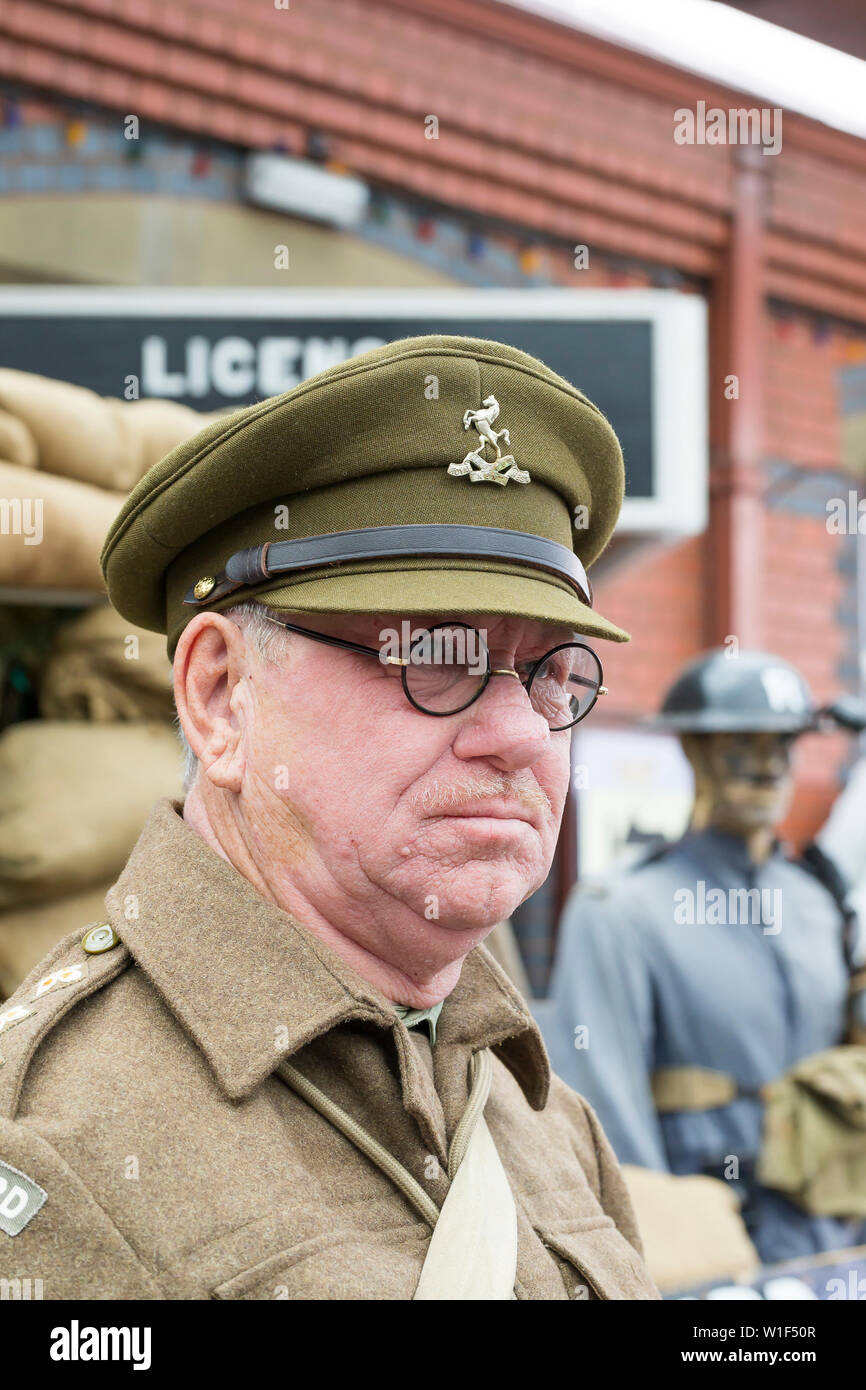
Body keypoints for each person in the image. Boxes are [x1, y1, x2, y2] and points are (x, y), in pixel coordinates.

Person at [0, 335, 659, 1300]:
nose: (521, 733)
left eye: (553, 673)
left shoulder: (542, 1116)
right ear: (222, 698)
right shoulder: (50, 1140)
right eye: (435, 653)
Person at [543, 648, 866, 1265]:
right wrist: (663, 1243)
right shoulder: (621, 909)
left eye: (784, 744)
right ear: (695, 752)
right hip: (704, 1249)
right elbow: (605, 1109)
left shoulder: (817, 903)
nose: (768, 765)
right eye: (743, 744)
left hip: (833, 1239)